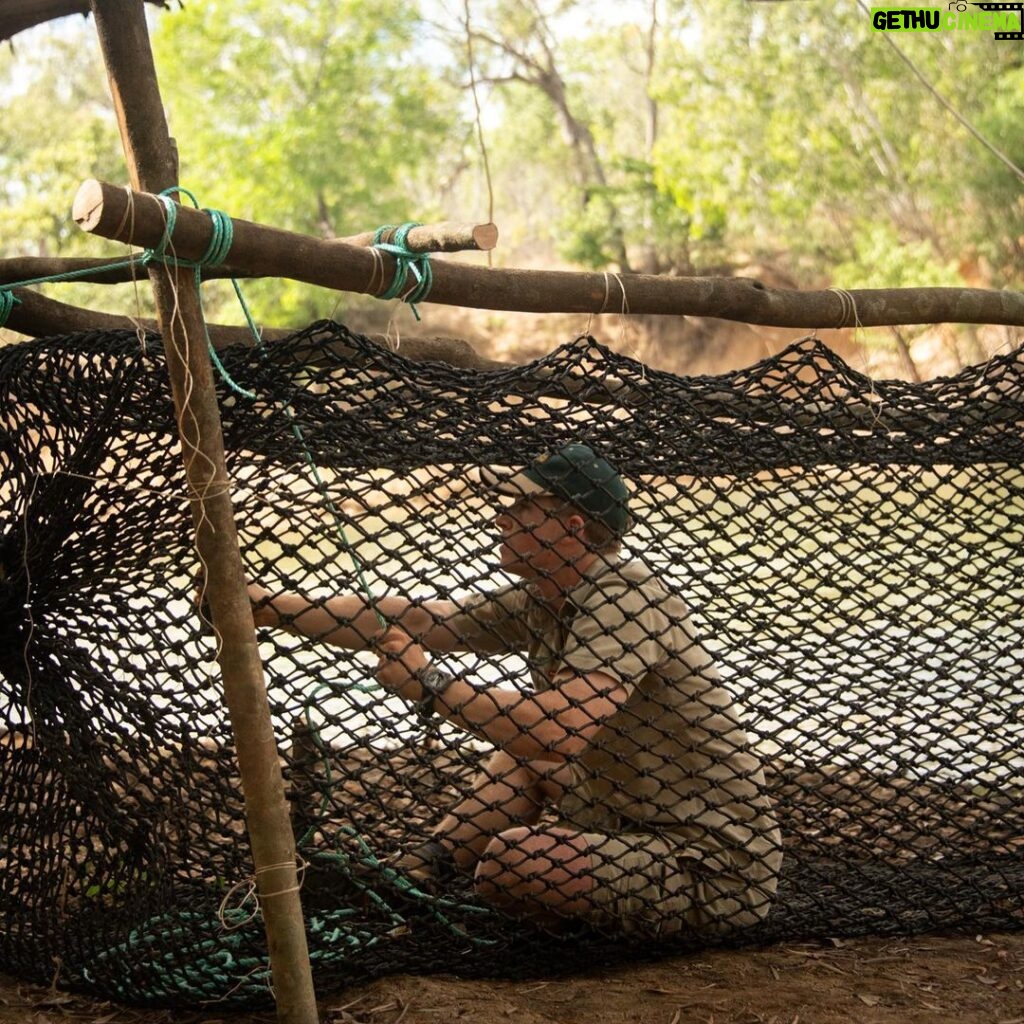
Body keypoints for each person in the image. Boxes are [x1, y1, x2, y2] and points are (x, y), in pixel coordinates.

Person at [248, 443, 782, 937]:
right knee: (522, 759)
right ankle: (417, 873)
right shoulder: (543, 596)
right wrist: (270, 608)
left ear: (571, 528)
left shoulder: (627, 596)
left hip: (712, 864)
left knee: (512, 863)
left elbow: (560, 730)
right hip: (627, 817)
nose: (500, 518)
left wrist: (429, 686)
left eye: (523, 509)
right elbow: (420, 619)